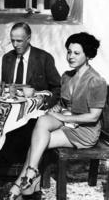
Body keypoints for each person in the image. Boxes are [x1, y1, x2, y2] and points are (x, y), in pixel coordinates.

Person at [7, 32, 107, 199]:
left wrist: (63, 118)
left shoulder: (96, 81)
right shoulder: (67, 77)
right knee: (42, 123)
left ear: (87, 54)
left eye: (76, 53)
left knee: (37, 144)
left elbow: (93, 117)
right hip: (68, 123)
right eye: (69, 51)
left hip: (84, 131)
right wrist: (54, 111)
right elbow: (64, 103)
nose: (70, 56)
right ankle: (30, 177)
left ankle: (22, 183)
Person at [2, 22, 61, 108]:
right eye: (12, 40)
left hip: (36, 110)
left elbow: (57, 88)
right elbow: (5, 87)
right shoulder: (7, 58)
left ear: (28, 38)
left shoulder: (44, 58)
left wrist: (46, 104)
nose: (15, 45)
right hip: (11, 108)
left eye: (19, 41)